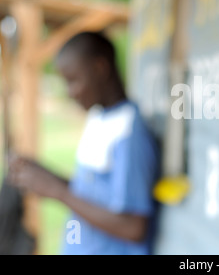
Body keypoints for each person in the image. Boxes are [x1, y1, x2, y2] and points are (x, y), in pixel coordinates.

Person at [8, 32, 160, 255]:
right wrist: (45, 178)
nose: (69, 93)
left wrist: (58, 191)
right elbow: (93, 194)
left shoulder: (129, 133)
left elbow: (133, 227)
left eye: (73, 80)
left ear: (100, 68)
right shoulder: (99, 118)